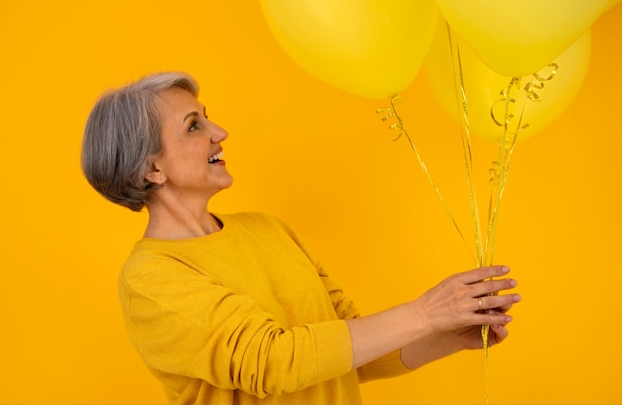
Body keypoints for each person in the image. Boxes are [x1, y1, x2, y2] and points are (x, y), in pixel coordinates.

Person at [81, 71, 520, 405]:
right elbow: (274, 362)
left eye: (208, 118)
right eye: (194, 126)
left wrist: (447, 332)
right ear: (150, 169)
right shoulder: (150, 279)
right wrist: (426, 312)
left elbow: (347, 349)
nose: (220, 132)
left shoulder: (268, 228)